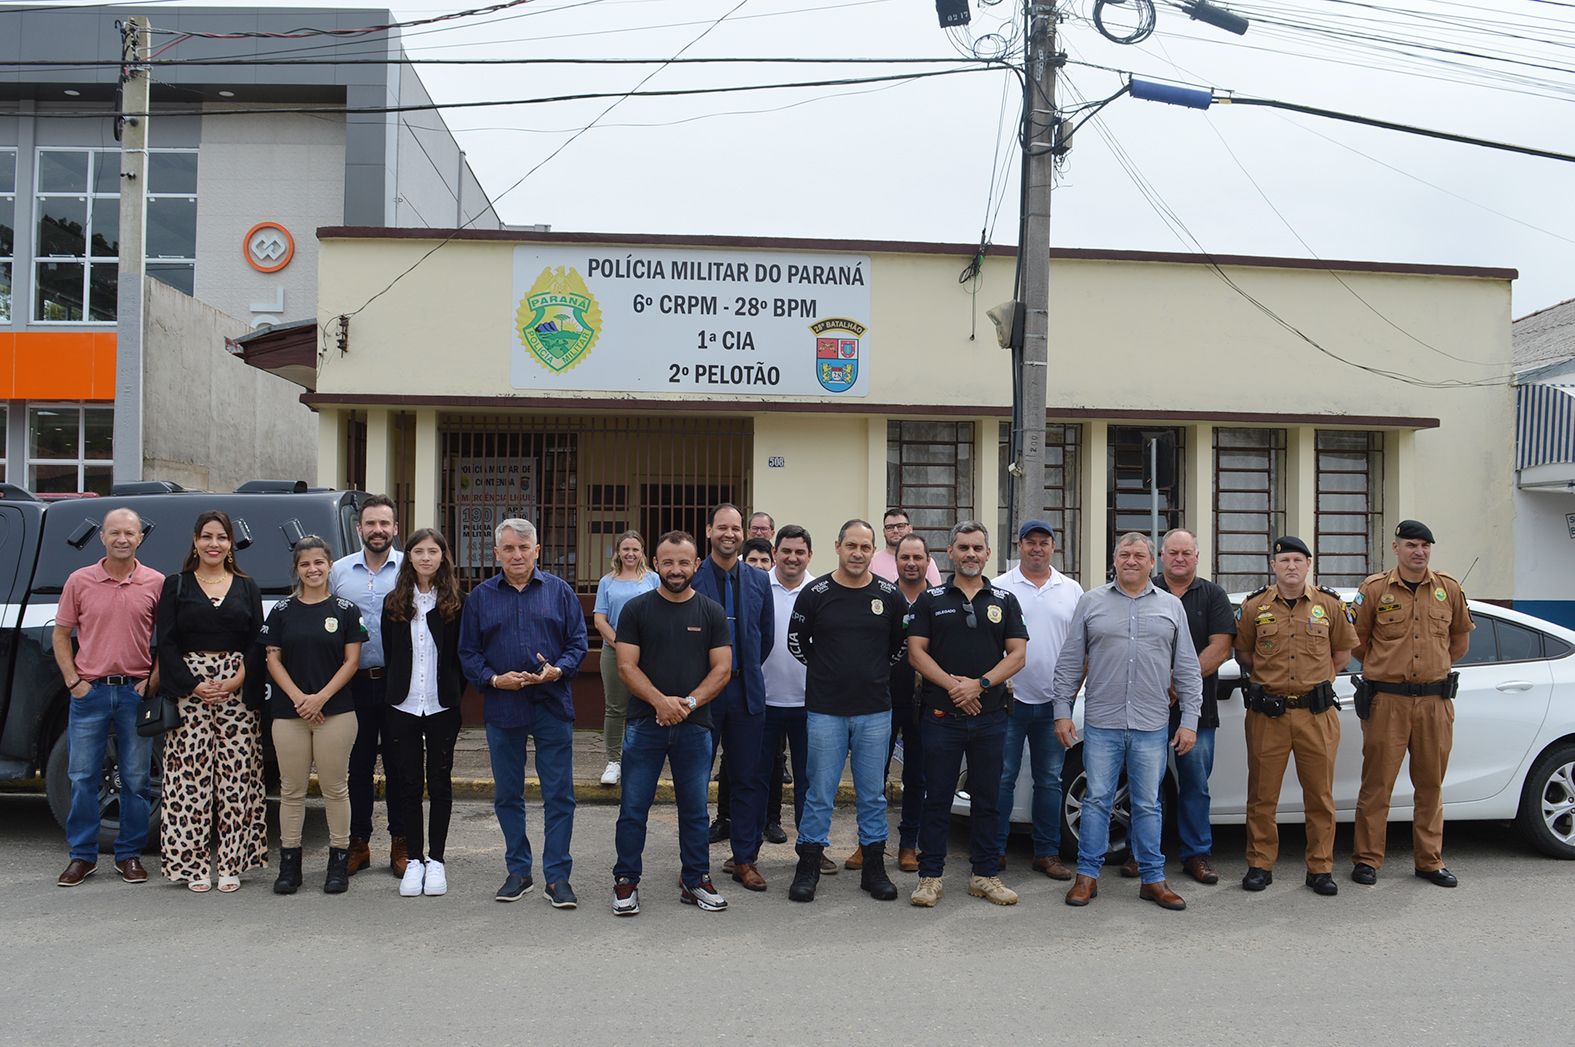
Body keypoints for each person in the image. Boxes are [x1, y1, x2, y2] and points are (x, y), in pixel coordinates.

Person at [1053, 533, 1203, 912]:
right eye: (1125, 554)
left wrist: (1189, 720)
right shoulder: (1091, 602)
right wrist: (1061, 710)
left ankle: (1153, 880)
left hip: (1152, 723)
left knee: (1148, 804)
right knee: (1097, 800)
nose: (1132, 560)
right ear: (1115, 560)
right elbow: (1071, 661)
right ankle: (1087, 876)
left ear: (1153, 563)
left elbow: (1186, 667)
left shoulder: (1171, 607)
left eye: (1140, 555)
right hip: (1102, 722)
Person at [459, 518, 587, 909]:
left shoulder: (560, 592)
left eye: (524, 548)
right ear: (496, 553)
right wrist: (495, 680)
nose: (517, 555)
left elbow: (578, 644)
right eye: (509, 549)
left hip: (551, 705)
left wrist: (558, 670)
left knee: (559, 795)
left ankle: (557, 877)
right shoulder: (480, 597)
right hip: (503, 706)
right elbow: (468, 653)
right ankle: (519, 871)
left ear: (536, 551)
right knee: (508, 795)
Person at [611, 531, 734, 915]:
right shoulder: (636, 610)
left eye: (684, 562)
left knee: (695, 809)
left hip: (695, 727)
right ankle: (626, 881)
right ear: (656, 564)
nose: (676, 569)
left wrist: (689, 703)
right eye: (668, 562)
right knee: (633, 808)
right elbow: (626, 666)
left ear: (696, 565)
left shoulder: (711, 612)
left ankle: (695, 880)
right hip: (645, 724)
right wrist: (660, 702)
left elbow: (723, 668)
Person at [785, 520, 908, 903]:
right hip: (825, 710)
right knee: (820, 792)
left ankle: (873, 868)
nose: (857, 553)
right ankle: (808, 865)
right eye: (850, 545)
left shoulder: (890, 595)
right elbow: (796, 643)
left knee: (872, 794)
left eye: (865, 547)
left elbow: (899, 646)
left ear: (874, 551)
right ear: (837, 546)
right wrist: (826, 672)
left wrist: (871, 673)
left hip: (875, 710)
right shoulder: (814, 592)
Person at [906, 521, 1027, 908]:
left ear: (987, 553)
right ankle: (930, 877)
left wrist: (981, 684)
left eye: (977, 548)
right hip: (940, 716)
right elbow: (916, 652)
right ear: (950, 553)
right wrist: (955, 687)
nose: (970, 554)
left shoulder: (1004, 600)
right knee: (936, 797)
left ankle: (985, 875)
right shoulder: (931, 599)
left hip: (991, 718)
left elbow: (1019, 655)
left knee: (988, 799)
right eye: (963, 548)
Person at [1351, 519, 1473, 889]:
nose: (1419, 552)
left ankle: (1429, 861)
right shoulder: (1373, 589)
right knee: (1377, 785)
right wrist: (1388, 667)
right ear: (1396, 548)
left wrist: (1430, 670)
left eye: (1424, 546)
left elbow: (1459, 644)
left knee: (1431, 785)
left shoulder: (1448, 588)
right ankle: (1367, 860)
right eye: (1411, 545)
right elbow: (1357, 642)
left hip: (1435, 701)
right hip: (1388, 700)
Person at [1233, 536, 1356, 896]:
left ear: (1308, 565)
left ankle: (1320, 868)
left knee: (1320, 795)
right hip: (1267, 715)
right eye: (1284, 560)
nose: (1290, 566)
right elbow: (1244, 654)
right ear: (1273, 566)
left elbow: (1342, 656)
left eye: (1297, 560)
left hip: (1315, 715)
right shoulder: (1254, 606)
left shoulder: (1329, 605)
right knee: (1261, 795)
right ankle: (1259, 865)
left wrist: (1310, 683)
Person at [156, 511, 267, 893]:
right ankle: (193, 865)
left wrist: (238, 678)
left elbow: (257, 641)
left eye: (221, 537)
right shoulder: (176, 585)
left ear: (230, 543)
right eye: (207, 537)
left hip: (237, 692)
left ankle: (233, 863)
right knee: (189, 780)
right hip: (191, 691)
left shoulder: (247, 586)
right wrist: (192, 684)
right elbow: (166, 643)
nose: (214, 544)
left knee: (238, 779)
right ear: (195, 541)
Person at [53, 508, 163, 888]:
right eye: (114, 532)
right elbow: (61, 634)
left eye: (129, 533)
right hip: (90, 692)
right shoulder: (79, 581)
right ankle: (81, 857)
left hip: (135, 693)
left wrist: (151, 680)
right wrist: (73, 681)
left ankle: (128, 855)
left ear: (140, 538)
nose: (122, 539)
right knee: (82, 777)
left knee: (135, 779)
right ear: (102, 536)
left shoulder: (155, 582)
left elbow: (165, 640)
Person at [1127, 527, 1235, 885]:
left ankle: (1196, 854)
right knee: (1145, 784)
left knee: (1194, 784)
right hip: (1147, 708)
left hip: (1197, 711)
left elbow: (1221, 647)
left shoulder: (1213, 595)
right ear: (1161, 556)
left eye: (1186, 553)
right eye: (1172, 552)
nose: (1179, 558)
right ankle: (1140, 854)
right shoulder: (1142, 590)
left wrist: (1178, 683)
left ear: (1196, 557)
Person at [263, 536, 366, 895]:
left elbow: (352, 661)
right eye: (305, 564)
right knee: (291, 790)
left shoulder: (345, 610)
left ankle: (338, 861)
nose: (313, 569)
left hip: (336, 711)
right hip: (289, 713)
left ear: (329, 565)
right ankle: (290, 865)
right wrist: (299, 698)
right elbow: (272, 658)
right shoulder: (281, 611)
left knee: (335, 788)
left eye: (319, 563)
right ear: (296, 568)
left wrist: (320, 698)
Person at [691, 503, 774, 892]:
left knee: (747, 779)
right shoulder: (691, 577)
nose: (729, 534)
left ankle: (745, 858)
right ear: (709, 531)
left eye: (735, 528)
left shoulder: (759, 581)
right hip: (702, 695)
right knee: (695, 780)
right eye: (722, 527)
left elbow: (766, 638)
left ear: (744, 533)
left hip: (746, 693)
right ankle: (694, 863)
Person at [994, 520, 1083, 882]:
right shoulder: (1000, 587)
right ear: (1019, 546)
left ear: (1053, 547)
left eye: (1043, 542)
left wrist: (1072, 693)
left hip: (1054, 704)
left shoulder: (1072, 590)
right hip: (1008, 701)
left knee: (1050, 779)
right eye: (1030, 542)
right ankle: (994, 850)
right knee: (1002, 778)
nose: (1037, 548)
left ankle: (1046, 852)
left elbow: (1082, 647)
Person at [382, 529, 467, 898]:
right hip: (402, 703)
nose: (426, 557)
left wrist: (452, 693)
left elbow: (460, 657)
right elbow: (390, 654)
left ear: (443, 556)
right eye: (419, 551)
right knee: (407, 783)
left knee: (441, 781)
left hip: (441, 704)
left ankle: (438, 860)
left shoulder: (457, 602)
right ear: (409, 557)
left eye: (434, 551)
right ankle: (414, 859)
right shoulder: (395, 601)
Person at [329, 494, 405, 877]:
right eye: (370, 524)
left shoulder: (410, 569)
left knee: (400, 766)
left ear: (395, 528)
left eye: (384, 524)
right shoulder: (338, 572)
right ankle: (358, 843)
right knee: (356, 767)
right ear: (359, 529)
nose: (378, 530)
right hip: (352, 685)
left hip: (398, 685)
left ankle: (400, 844)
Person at [759, 525, 824, 864]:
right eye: (786, 551)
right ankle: (748, 853)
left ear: (809, 555)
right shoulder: (758, 586)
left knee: (809, 784)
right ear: (775, 552)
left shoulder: (821, 590)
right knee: (755, 780)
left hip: (809, 703)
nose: (793, 558)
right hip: (763, 701)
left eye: (800, 552)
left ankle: (810, 851)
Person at [592, 531, 659, 787]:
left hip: (649, 651)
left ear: (642, 551)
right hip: (614, 652)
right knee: (616, 707)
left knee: (647, 704)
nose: (630, 554)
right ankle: (613, 760)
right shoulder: (607, 582)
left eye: (635, 549)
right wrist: (621, 644)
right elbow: (600, 619)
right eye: (625, 549)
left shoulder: (653, 579)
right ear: (617, 552)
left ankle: (643, 757)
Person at [887, 533, 933, 873]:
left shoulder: (938, 600)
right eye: (905, 557)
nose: (912, 563)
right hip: (881, 700)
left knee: (917, 778)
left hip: (925, 703)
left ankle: (908, 845)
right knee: (872, 776)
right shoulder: (882, 596)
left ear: (928, 561)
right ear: (897, 561)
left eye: (918, 557)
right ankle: (867, 843)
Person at [870, 508, 942, 587]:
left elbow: (936, 594)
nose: (895, 531)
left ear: (910, 529)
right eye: (890, 527)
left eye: (900, 526)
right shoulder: (872, 561)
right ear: (884, 531)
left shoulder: (925, 562)